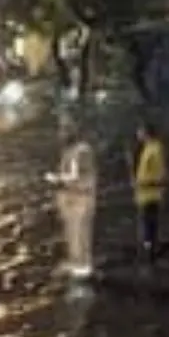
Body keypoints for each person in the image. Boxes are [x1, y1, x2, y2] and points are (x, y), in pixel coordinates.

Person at [52, 118, 97, 278]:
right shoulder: (71, 151)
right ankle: (77, 265)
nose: (60, 135)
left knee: (79, 235)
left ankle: (81, 270)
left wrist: (57, 179)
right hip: (73, 199)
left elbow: (76, 177)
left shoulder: (81, 151)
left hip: (80, 199)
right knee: (73, 235)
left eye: (64, 131)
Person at [132, 121, 165, 262]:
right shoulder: (147, 148)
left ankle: (150, 253)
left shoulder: (155, 149)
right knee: (145, 225)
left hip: (151, 195)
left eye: (139, 131)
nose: (138, 135)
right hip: (143, 194)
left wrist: (143, 183)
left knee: (149, 226)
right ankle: (147, 251)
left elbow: (159, 174)